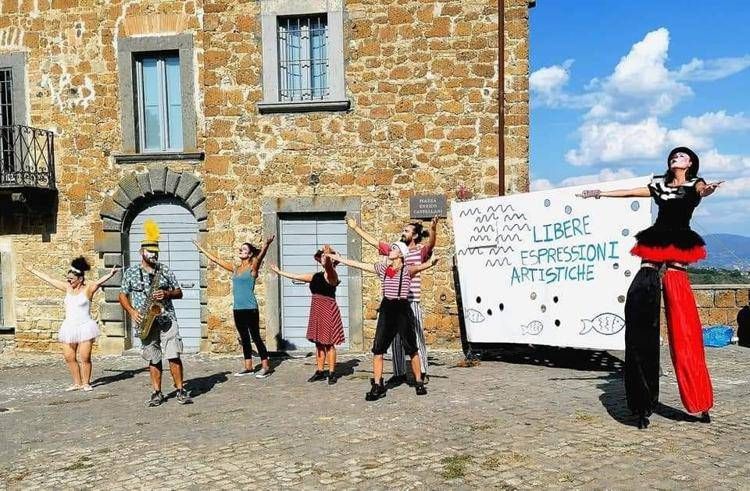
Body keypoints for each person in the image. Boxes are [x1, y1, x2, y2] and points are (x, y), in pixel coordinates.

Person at [580, 146, 722, 428]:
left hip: (679, 246)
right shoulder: (658, 184)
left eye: (681, 156)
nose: (675, 158)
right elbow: (632, 192)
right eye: (673, 155)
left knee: (683, 324)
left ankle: (699, 400)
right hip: (655, 244)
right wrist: (601, 193)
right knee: (639, 302)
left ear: (690, 163)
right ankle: (641, 403)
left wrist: (709, 190)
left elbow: (703, 191)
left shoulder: (696, 184)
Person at [326, 243, 438, 400]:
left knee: (411, 347)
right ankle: (378, 385)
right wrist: (339, 258)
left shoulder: (407, 270)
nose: (390, 251)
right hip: (387, 309)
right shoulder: (382, 269)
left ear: (400, 254)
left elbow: (424, 266)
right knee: (378, 349)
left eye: (394, 249)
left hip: (402, 309)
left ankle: (419, 382)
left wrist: (432, 261)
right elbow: (360, 265)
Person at [347, 216, 439, 385]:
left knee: (416, 339)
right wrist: (355, 228)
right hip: (392, 303)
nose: (402, 232)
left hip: (412, 300)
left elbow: (431, 244)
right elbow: (375, 243)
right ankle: (399, 372)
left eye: (406, 230)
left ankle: (422, 372)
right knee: (395, 340)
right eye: (403, 230)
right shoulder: (396, 249)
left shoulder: (419, 251)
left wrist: (433, 229)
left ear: (416, 235)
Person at [119, 219, 192, 406]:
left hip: (167, 318)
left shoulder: (164, 270)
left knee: (173, 354)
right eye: (151, 251)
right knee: (153, 357)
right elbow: (122, 295)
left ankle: (180, 390)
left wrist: (167, 293)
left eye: (156, 251)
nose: (154, 255)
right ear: (141, 252)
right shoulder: (131, 272)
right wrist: (132, 312)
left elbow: (179, 292)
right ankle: (157, 392)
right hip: (145, 319)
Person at [25, 257, 118, 391]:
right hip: (69, 327)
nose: (68, 281)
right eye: (67, 278)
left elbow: (98, 282)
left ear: (80, 279)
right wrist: (32, 270)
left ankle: (86, 383)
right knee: (69, 357)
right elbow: (50, 280)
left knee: (85, 357)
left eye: (71, 279)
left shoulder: (88, 289)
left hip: (85, 326)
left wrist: (110, 274)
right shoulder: (67, 288)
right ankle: (76, 383)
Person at [193, 235, 275, 378]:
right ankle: (248, 366)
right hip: (238, 309)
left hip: (250, 308)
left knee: (255, 337)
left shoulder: (252, 267)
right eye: (241, 249)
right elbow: (216, 260)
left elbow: (260, 257)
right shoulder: (236, 269)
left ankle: (266, 366)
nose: (240, 250)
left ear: (249, 254)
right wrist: (200, 248)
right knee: (244, 338)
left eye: (244, 249)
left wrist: (266, 245)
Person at [269, 244, 345, 385]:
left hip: (328, 310)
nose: (323, 257)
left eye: (325, 256)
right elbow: (296, 276)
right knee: (318, 343)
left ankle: (332, 372)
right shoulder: (315, 276)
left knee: (329, 343)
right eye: (321, 255)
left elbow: (328, 266)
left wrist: (328, 253)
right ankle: (320, 371)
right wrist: (279, 272)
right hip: (316, 310)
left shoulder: (332, 274)